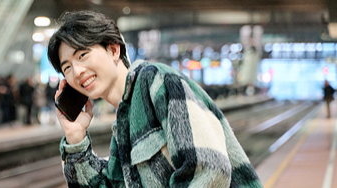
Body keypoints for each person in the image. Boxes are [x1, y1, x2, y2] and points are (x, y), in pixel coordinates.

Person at [47, 11, 262, 188]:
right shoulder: (125, 121)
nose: (77, 71)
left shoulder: (158, 81)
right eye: (67, 67)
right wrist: (75, 138)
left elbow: (209, 170)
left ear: (113, 49)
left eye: (82, 55)